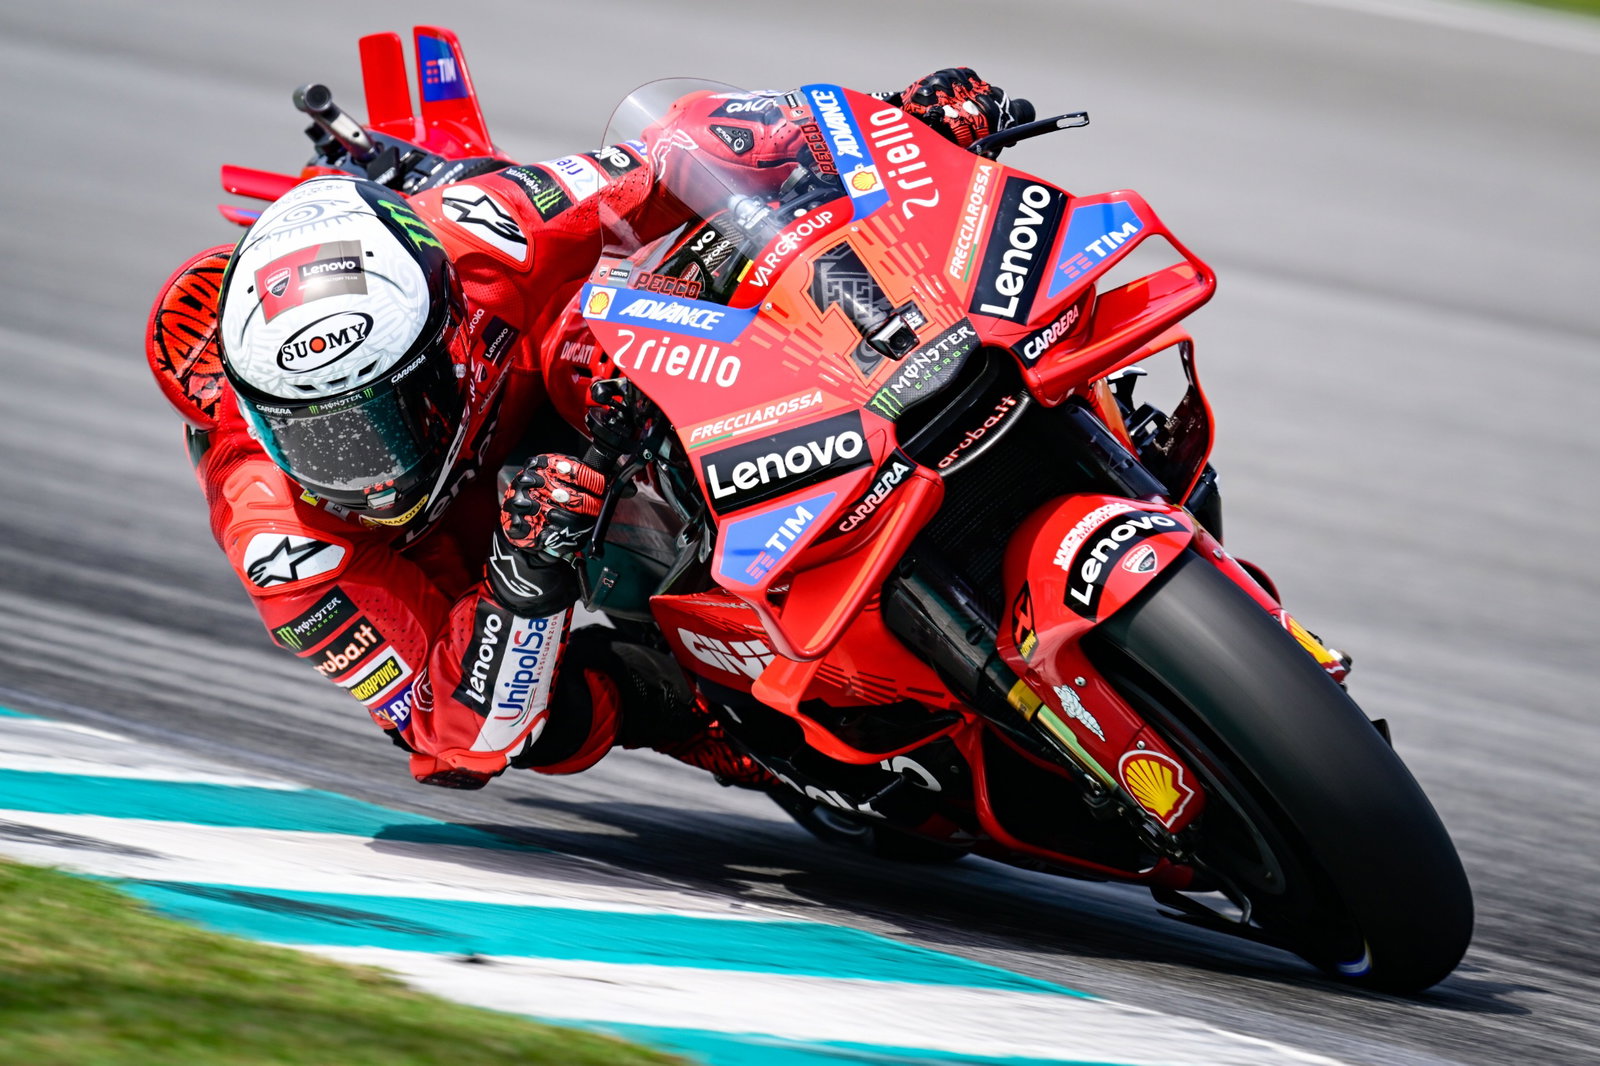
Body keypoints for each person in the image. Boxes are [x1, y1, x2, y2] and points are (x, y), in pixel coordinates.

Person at [144, 67, 1019, 791]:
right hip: (470, 555)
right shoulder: (280, 533)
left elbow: (672, 155)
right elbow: (449, 737)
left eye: (382, 418)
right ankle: (717, 713)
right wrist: (521, 578)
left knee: (639, 319)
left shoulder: (483, 233)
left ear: (441, 332)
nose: (366, 468)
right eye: (322, 439)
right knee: (549, 725)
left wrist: (884, 130)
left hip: (552, 375)